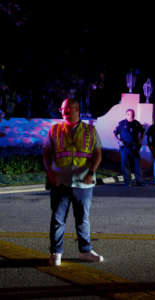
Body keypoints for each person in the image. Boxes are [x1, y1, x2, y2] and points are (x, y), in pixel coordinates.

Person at [43, 98, 104, 266]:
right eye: (64, 109)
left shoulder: (90, 130)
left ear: (78, 109)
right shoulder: (54, 130)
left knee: (83, 219)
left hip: (83, 183)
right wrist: (49, 173)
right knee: (57, 219)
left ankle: (85, 251)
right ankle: (55, 253)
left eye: (70, 109)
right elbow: (47, 153)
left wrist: (92, 172)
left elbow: (98, 153)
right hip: (60, 182)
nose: (66, 112)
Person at [114, 108, 145, 187]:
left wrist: (140, 140)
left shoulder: (137, 123)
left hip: (135, 147)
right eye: (130, 114)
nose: (132, 115)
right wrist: (119, 141)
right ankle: (128, 182)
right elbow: (114, 133)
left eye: (133, 114)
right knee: (126, 165)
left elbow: (142, 132)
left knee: (137, 165)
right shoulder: (121, 124)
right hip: (125, 147)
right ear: (126, 115)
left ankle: (139, 182)